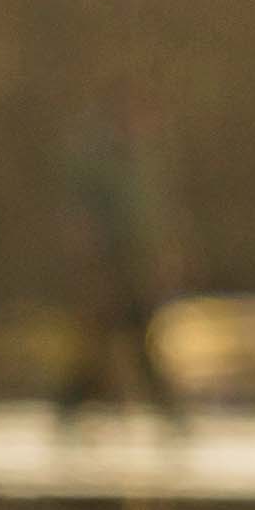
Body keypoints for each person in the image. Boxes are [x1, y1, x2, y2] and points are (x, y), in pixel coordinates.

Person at [57, 95, 186, 421]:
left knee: (120, 346)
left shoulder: (142, 163)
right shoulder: (99, 165)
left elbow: (154, 223)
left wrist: (165, 260)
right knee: (113, 346)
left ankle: (72, 410)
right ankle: (170, 416)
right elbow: (82, 223)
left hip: (135, 272)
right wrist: (93, 271)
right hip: (112, 272)